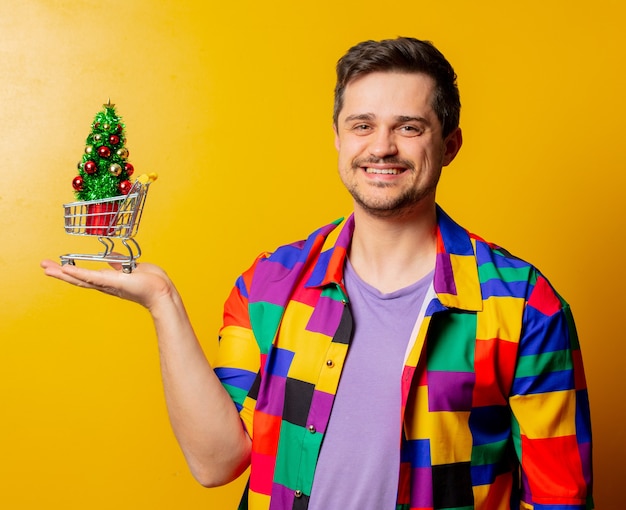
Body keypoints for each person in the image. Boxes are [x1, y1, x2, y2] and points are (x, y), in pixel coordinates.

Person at [41, 37, 593, 510]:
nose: (382, 146)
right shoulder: (270, 284)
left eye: (409, 127)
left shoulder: (524, 305)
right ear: (337, 139)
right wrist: (162, 300)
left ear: (449, 145)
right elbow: (216, 462)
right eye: (362, 125)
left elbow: (559, 495)